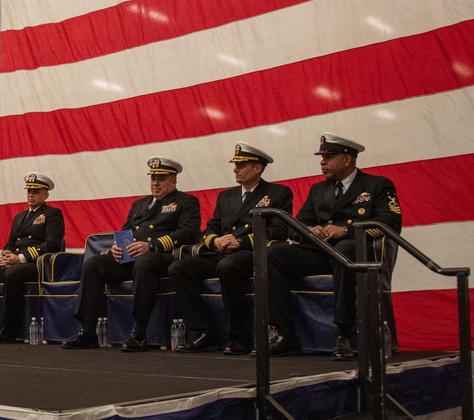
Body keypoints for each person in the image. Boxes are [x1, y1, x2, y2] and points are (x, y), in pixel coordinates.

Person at [266, 133, 402, 360]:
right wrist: (309, 230)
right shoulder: (318, 190)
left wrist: (347, 230)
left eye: (328, 157)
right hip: (322, 252)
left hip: (358, 252)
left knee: (346, 249)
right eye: (322, 157)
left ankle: (344, 334)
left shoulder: (377, 185)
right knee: (273, 254)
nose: (322, 162)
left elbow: (391, 222)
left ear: (347, 159)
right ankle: (284, 332)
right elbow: (295, 225)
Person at [62, 157, 201, 351]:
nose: (155, 183)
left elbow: (188, 232)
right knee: (93, 264)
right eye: (153, 178)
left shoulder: (185, 201)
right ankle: (87, 330)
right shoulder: (139, 204)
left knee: (144, 262)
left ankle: (139, 332)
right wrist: (116, 247)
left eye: (161, 178)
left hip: (162, 257)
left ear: (173, 181)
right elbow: (126, 230)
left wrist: (152, 246)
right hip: (132, 257)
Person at [168, 143, 293, 355]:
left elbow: (279, 231)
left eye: (241, 165)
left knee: (229, 266)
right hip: (222, 251)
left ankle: (238, 337)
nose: (235, 169)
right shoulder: (226, 196)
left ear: (257, 168)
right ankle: (204, 331)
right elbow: (210, 228)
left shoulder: (277, 193)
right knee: (178, 268)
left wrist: (240, 242)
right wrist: (215, 241)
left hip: (251, 253)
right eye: (235, 164)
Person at [0, 173, 65, 343]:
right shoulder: (19, 217)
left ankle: (8, 329)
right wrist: (4, 257)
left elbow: (52, 245)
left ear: (45, 194)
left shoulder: (52, 214)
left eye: (36, 191)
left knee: (12, 273)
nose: (30, 195)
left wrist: (19, 258)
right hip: (13, 263)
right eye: (29, 191)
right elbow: (10, 244)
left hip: (36, 265)